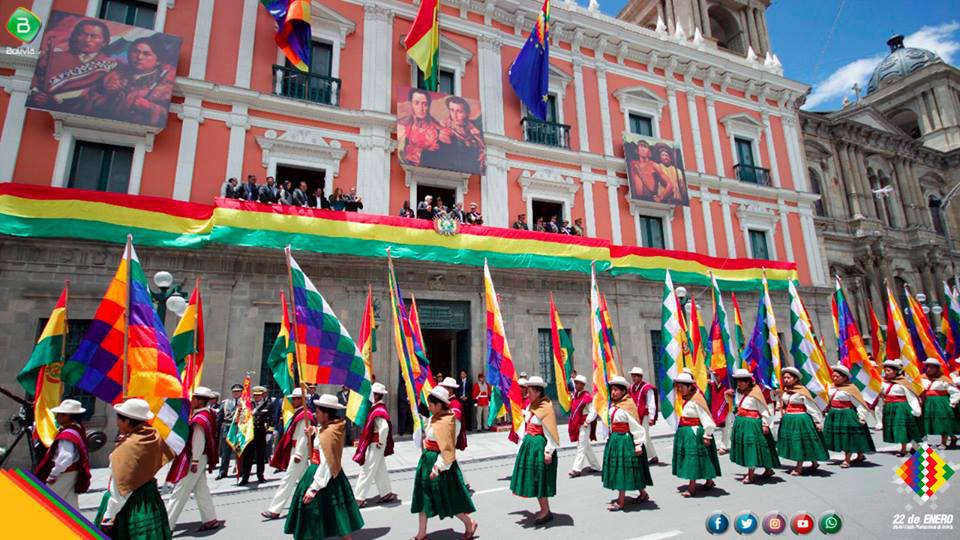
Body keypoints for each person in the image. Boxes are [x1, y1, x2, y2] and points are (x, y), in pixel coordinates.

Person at [284, 395, 364, 540]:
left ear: (326, 414)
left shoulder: (328, 434)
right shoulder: (331, 428)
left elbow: (327, 461)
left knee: (315, 511)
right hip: (332, 474)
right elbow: (323, 435)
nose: (315, 414)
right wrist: (314, 431)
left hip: (322, 474)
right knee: (336, 512)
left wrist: (314, 487)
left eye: (319, 411)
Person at [95, 398, 174, 539]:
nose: (117, 423)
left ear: (127, 421)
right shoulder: (153, 436)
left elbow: (121, 487)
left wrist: (109, 516)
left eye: (119, 419)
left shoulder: (128, 448)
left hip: (130, 504)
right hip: (149, 498)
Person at [411, 387, 477, 540]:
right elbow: (430, 432)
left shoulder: (450, 421)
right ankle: (421, 533)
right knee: (424, 496)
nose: (430, 407)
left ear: (440, 405)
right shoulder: (434, 417)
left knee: (449, 497)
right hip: (427, 460)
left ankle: (469, 523)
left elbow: (448, 447)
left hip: (441, 464)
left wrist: (438, 467)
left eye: (432, 405)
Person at [29, 19, 117, 115]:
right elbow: (34, 77)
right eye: (83, 34)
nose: (87, 40)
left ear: (104, 41)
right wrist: (36, 93)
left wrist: (57, 98)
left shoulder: (111, 65)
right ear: (76, 37)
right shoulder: (53, 57)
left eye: (93, 36)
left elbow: (105, 96)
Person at [165, 387, 223, 531]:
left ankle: (166, 526)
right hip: (199, 457)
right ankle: (210, 519)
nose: (191, 401)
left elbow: (198, 440)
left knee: (180, 492)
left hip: (195, 457)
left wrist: (195, 460)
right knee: (201, 488)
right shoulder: (205, 414)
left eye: (194, 399)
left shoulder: (199, 418)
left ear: (200, 400)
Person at [95, 35, 175, 126]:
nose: (139, 57)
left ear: (158, 61)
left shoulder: (165, 84)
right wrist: (108, 95)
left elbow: (166, 116)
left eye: (146, 54)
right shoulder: (112, 74)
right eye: (135, 52)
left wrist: (149, 107)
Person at [510, 376, 558, 524]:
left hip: (539, 448)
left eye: (529, 391)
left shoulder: (545, 408)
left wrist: (548, 451)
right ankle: (545, 509)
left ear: (538, 392)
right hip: (530, 447)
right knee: (535, 479)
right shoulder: (532, 406)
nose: (527, 394)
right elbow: (527, 422)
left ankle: (545, 511)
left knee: (539, 480)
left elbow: (550, 432)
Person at [603, 376, 652, 511]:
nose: (613, 393)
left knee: (622, 471)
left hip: (625, 441)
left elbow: (636, 427)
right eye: (612, 390)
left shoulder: (628, 406)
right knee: (630, 470)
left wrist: (638, 444)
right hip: (615, 441)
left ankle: (621, 501)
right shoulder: (613, 406)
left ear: (624, 391)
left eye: (616, 390)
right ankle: (643, 493)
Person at [262, 389, 310, 520]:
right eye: (293, 398)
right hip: (295, 450)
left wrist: (299, 454)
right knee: (305, 482)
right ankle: (315, 504)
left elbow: (303, 437)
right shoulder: (300, 413)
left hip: (298, 453)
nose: (293, 401)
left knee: (288, 480)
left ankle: (275, 509)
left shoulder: (305, 416)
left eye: (296, 398)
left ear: (303, 400)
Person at [35, 399, 91, 510]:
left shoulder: (67, 435)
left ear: (68, 416)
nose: (57, 417)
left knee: (47, 502)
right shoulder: (77, 429)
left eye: (60, 414)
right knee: (69, 503)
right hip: (72, 473)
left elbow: (66, 457)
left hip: (64, 473)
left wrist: (54, 474)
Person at [671, 369, 720, 497]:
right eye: (678, 386)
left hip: (694, 433)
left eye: (682, 386)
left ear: (689, 387)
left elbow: (706, 417)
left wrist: (707, 434)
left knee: (692, 460)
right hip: (685, 433)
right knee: (703, 458)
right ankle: (709, 481)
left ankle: (692, 487)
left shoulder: (697, 399)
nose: (680, 389)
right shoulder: (683, 399)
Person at [727, 369, 779, 484]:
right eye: (738, 381)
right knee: (757, 448)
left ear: (748, 382)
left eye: (742, 381)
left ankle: (750, 475)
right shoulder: (738, 392)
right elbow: (735, 406)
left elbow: (764, 410)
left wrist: (765, 424)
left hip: (753, 424)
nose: (739, 384)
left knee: (752, 448)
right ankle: (768, 470)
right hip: (741, 422)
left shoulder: (756, 393)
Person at [776, 367, 828, 476]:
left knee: (799, 442)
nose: (786, 379)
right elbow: (783, 405)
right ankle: (814, 463)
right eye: (784, 377)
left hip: (800, 419)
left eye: (788, 378)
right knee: (802, 442)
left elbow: (811, 407)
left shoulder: (802, 392)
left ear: (795, 379)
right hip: (789, 419)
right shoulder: (785, 391)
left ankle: (798, 467)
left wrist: (817, 421)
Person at [353, 383, 397, 507]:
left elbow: (384, 428)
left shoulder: (379, 410)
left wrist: (380, 442)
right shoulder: (377, 408)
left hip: (376, 443)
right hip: (376, 442)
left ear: (377, 395)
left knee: (367, 469)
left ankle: (359, 497)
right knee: (379, 468)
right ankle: (386, 492)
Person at [823, 364, 874, 468]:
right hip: (834, 413)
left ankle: (847, 460)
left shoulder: (851, 389)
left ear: (845, 377)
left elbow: (859, 404)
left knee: (847, 437)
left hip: (847, 414)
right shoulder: (831, 387)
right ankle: (860, 455)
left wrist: (861, 417)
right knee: (842, 436)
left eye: (838, 376)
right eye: (834, 376)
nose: (835, 378)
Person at [881, 359, 924, 456]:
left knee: (902, 428)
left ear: (896, 371)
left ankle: (904, 449)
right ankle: (911, 447)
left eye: (889, 370)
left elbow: (911, 397)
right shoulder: (884, 382)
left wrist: (916, 409)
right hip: (890, 407)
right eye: (885, 370)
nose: (886, 373)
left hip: (902, 408)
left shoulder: (904, 382)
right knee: (896, 428)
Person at [398, 88, 442, 168]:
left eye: (425, 104)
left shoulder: (437, 129)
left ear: (428, 106)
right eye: (416, 103)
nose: (421, 108)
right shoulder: (403, 125)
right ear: (410, 104)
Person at [921, 358, 959, 448]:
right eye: (928, 367)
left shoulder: (944, 379)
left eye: (931, 367)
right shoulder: (923, 378)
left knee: (942, 422)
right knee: (929, 421)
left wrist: (953, 402)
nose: (929, 369)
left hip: (941, 402)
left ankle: (943, 442)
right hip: (928, 402)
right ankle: (933, 440)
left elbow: (954, 392)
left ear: (937, 368)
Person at [239, 386, 273, 485]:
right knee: (247, 456)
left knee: (260, 456)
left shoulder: (268, 404)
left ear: (262, 396)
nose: (257, 397)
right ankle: (245, 477)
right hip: (250, 433)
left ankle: (260, 476)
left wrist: (269, 433)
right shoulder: (250, 405)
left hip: (261, 433)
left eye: (259, 395)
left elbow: (270, 419)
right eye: (255, 396)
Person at [568, 374, 599, 477]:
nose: (576, 385)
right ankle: (596, 466)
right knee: (586, 446)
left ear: (583, 385)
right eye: (575, 382)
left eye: (578, 383)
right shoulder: (576, 395)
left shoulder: (586, 397)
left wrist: (588, 421)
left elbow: (593, 411)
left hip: (584, 425)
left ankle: (576, 469)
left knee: (581, 446)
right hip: (578, 424)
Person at [628, 367, 659, 465]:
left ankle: (642, 457)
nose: (634, 378)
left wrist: (651, 417)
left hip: (644, 415)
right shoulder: (631, 388)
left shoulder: (647, 388)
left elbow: (651, 403)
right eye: (633, 376)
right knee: (645, 435)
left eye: (636, 376)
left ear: (640, 377)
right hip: (634, 415)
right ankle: (653, 456)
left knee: (643, 435)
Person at [216, 384, 242, 479]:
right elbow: (220, 417)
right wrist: (217, 430)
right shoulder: (226, 403)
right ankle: (223, 471)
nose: (236, 393)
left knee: (239, 451)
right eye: (234, 391)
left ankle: (240, 470)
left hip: (239, 428)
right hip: (227, 427)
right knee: (225, 451)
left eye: (238, 391)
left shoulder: (244, 403)